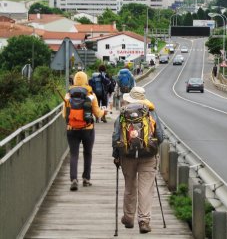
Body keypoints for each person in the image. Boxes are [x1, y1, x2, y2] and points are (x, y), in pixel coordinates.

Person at [112, 86, 164, 234]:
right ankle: (144, 221)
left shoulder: (124, 113)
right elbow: (160, 136)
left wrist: (116, 155)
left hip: (127, 156)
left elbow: (116, 136)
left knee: (130, 186)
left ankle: (128, 217)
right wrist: (152, 147)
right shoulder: (150, 111)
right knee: (145, 189)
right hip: (148, 156)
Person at [62, 71, 107, 191]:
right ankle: (86, 179)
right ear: (86, 80)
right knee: (87, 153)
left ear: (75, 81)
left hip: (72, 129)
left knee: (74, 154)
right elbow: (97, 114)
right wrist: (104, 112)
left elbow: (64, 114)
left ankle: (73, 179)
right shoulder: (90, 94)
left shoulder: (68, 95)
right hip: (88, 129)